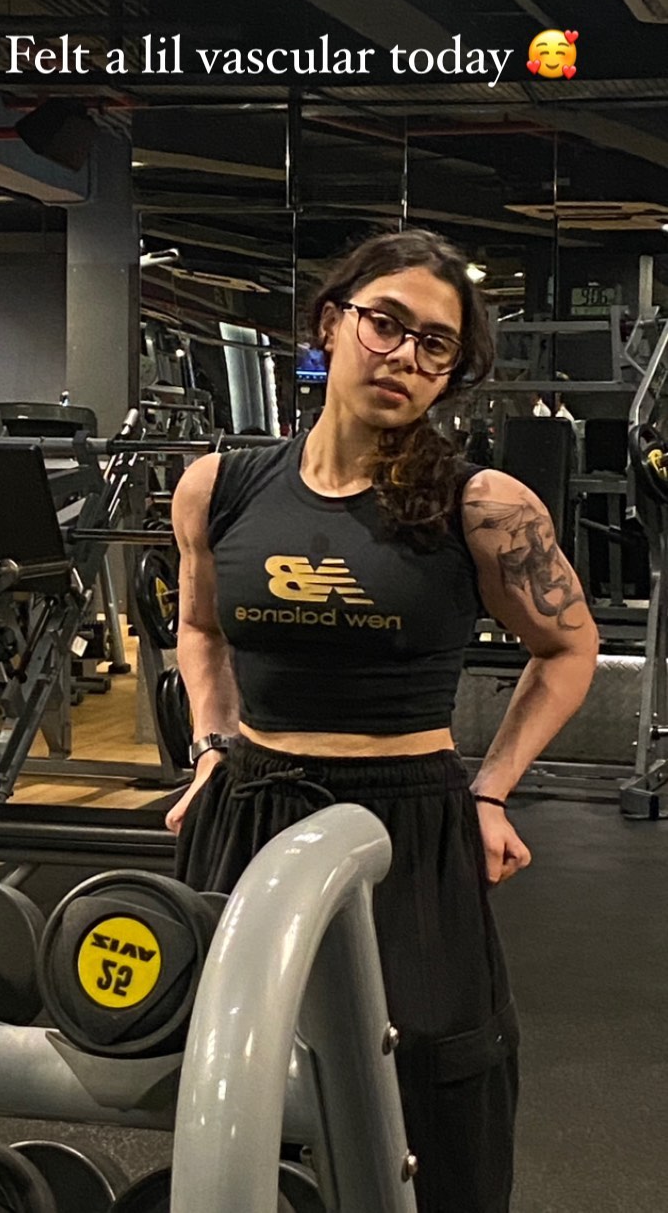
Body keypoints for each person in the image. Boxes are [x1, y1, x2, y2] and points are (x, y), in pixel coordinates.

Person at [166, 229, 599, 1213]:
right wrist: (211, 747)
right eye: (386, 324)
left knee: (433, 1089)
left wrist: (491, 790)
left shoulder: (482, 506)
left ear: (451, 372)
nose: (404, 355)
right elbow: (199, 629)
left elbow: (568, 649)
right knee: (229, 1084)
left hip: (405, 824)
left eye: (434, 344)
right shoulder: (219, 486)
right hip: (251, 807)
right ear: (332, 323)